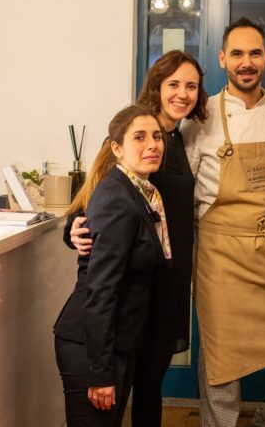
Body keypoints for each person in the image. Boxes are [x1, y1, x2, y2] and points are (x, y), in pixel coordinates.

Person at [64, 50, 208, 426]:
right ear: (156, 86)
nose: (182, 93)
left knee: (150, 386)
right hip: (133, 289)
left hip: (167, 285)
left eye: (191, 86)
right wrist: (73, 229)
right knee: (123, 388)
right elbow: (93, 198)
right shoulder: (131, 133)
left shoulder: (178, 140)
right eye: (173, 84)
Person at [182, 17, 265, 427]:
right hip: (220, 257)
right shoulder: (201, 120)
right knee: (221, 363)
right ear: (222, 59)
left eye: (254, 53)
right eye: (237, 54)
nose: (246, 62)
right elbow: (176, 187)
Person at [53, 105, 170, 427]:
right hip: (92, 346)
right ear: (117, 148)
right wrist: (100, 373)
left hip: (117, 339)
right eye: (140, 137)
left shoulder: (139, 192)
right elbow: (100, 289)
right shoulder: (118, 198)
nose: (152, 145)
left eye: (157, 137)